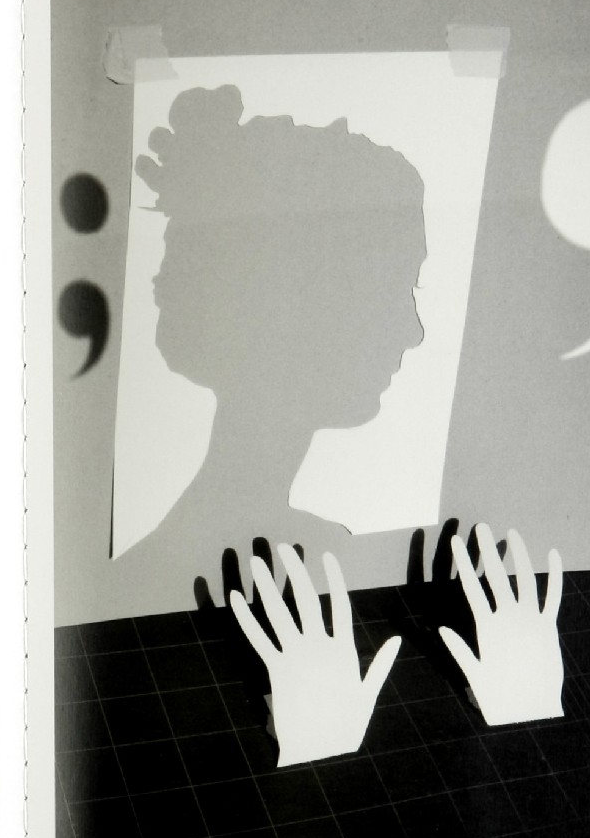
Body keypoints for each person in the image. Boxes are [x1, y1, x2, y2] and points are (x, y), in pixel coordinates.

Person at [112, 84, 428, 602]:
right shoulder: (155, 585)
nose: (413, 332)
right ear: (295, 303)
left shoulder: (316, 554)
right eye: (394, 286)